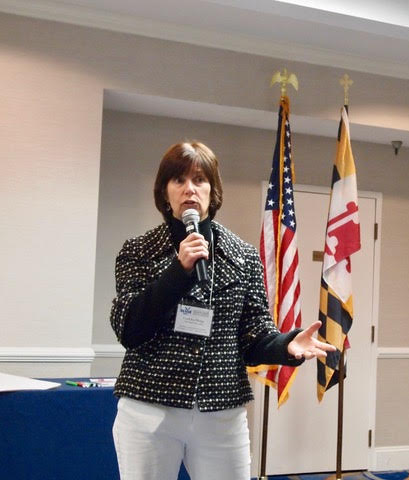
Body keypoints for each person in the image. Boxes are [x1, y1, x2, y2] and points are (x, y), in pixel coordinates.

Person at [110, 140, 335, 480]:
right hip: (150, 411)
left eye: (200, 180)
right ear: (164, 192)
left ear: (212, 192)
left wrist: (286, 346)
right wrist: (178, 271)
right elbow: (129, 329)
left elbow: (255, 335)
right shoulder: (139, 251)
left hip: (221, 412)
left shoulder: (243, 256)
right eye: (179, 180)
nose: (190, 189)